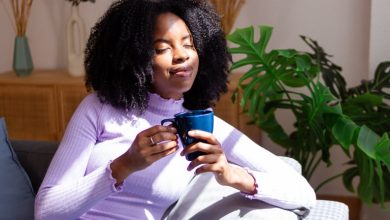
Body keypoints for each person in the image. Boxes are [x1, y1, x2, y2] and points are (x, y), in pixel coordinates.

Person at [35, 0, 316, 219]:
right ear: (133, 57)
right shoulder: (99, 108)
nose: (181, 55)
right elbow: (46, 211)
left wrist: (232, 174)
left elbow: (303, 193)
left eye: (188, 44)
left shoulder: (202, 127)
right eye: (162, 48)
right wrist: (125, 165)